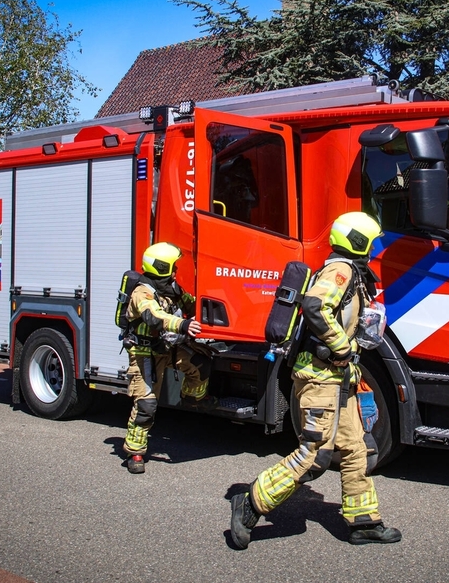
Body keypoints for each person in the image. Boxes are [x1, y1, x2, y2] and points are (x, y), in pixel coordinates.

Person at [229, 212, 402, 548]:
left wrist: (349, 364)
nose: (373, 248)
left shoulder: (351, 272)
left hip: (337, 376)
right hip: (319, 377)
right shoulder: (342, 270)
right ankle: (251, 503)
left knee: (358, 449)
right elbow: (315, 305)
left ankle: (364, 522)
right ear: (357, 241)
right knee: (315, 455)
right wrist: (340, 347)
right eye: (370, 241)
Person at [122, 242, 214, 474]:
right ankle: (135, 451)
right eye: (172, 267)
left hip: (167, 346)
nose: (175, 272)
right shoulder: (142, 292)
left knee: (201, 366)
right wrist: (182, 324)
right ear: (162, 267)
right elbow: (154, 316)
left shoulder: (171, 288)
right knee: (146, 404)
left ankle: (190, 398)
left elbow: (191, 304)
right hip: (145, 353)